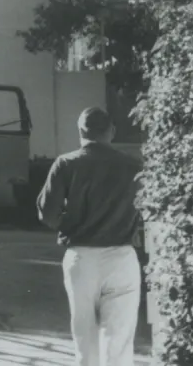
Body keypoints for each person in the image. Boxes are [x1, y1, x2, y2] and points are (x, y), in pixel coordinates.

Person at [36, 107, 144, 366]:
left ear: (81, 131)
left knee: (85, 338)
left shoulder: (66, 163)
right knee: (118, 342)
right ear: (112, 131)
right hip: (121, 257)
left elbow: (46, 212)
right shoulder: (133, 166)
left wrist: (70, 225)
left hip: (81, 257)